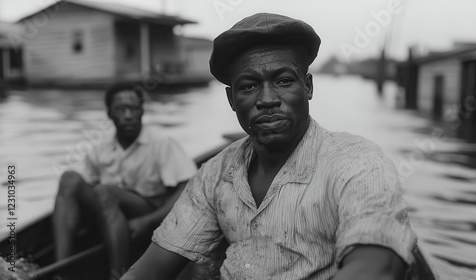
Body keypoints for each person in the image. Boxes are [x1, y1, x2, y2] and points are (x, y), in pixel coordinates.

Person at [121, 13, 417, 280]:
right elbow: (151, 269)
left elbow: (378, 267)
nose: (267, 99)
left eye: (284, 81)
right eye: (249, 86)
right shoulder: (215, 175)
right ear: (231, 100)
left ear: (308, 87)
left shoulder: (357, 163)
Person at [52, 84, 197, 278]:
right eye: (120, 109)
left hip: (150, 216)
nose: (128, 115)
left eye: (133, 108)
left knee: (105, 192)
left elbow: (189, 187)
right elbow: (84, 188)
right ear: (109, 114)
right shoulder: (101, 148)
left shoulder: (161, 143)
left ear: (142, 111)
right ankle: (60, 271)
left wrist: (147, 222)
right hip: (109, 216)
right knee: (69, 179)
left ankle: (118, 275)